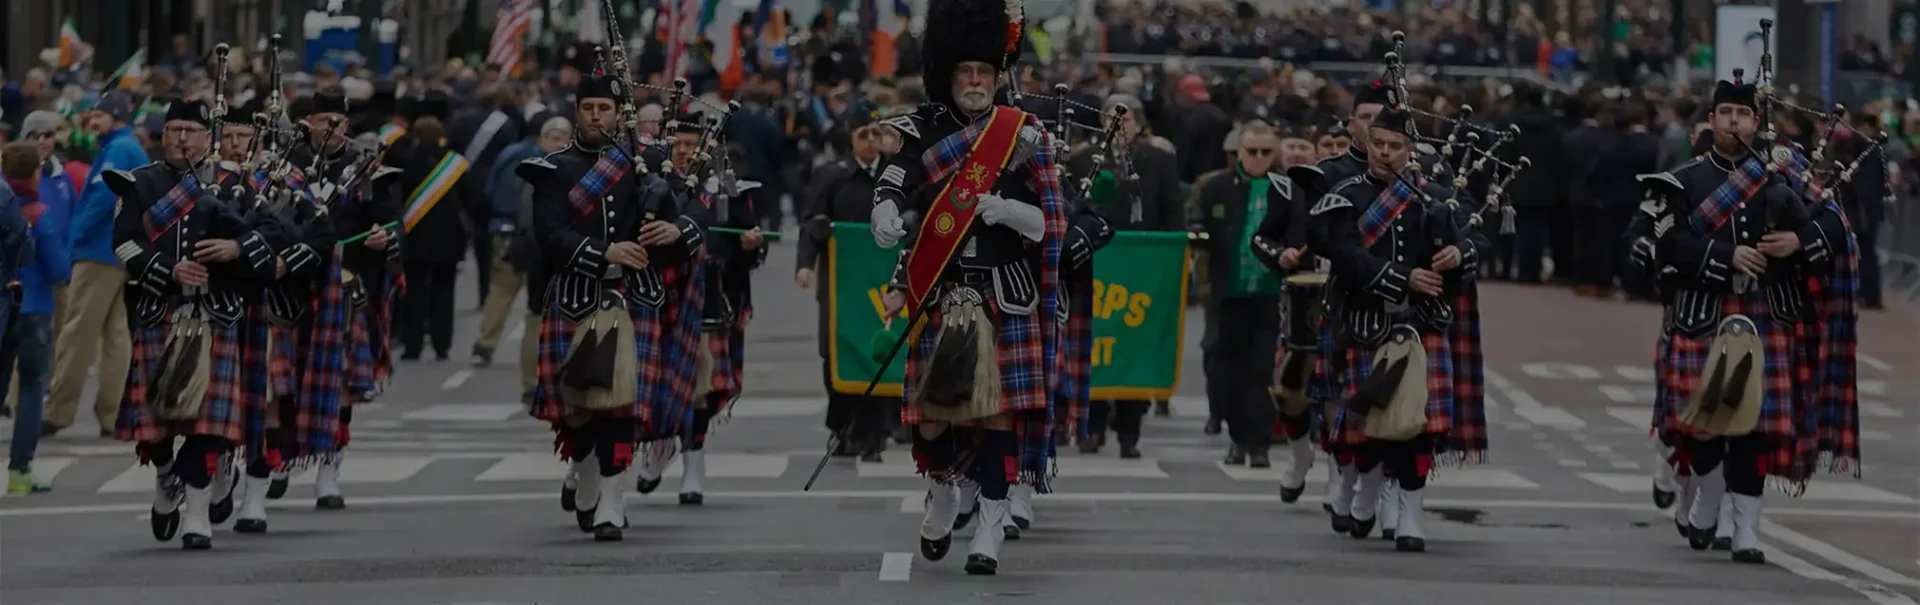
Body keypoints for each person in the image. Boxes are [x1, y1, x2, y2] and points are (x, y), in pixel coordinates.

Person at [868, 0, 1068, 575]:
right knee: (933, 413)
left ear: (996, 74)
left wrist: (1007, 209)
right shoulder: (922, 128)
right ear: (947, 74)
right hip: (942, 287)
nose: (976, 82)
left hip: (1006, 292)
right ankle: (942, 488)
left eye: (984, 72)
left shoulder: (1024, 133)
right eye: (965, 73)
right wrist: (884, 207)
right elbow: (896, 178)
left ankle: (991, 527)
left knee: (1000, 413)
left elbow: (1050, 221)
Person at [1639, 76, 1858, 564]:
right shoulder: (1687, 179)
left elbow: (1835, 224)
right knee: (1707, 423)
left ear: (1756, 123)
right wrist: (1727, 255)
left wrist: (1798, 243)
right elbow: (1669, 243)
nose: (1734, 122)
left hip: (1768, 312)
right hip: (1706, 313)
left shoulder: (1783, 174)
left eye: (1743, 115)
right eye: (1726, 114)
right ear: (1711, 120)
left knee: (1755, 427)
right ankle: (1708, 500)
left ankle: (1747, 530)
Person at [519, 73, 706, 542]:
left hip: (635, 297)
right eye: (588, 108)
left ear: (619, 112)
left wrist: (678, 229)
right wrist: (605, 252)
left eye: (605, 108)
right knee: (579, 410)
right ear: (577, 111)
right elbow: (550, 234)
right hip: (576, 298)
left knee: (624, 405)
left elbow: (700, 203)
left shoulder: (649, 161)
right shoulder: (553, 168)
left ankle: (613, 500)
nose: (597, 116)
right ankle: (583, 469)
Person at [106, 98, 281, 550]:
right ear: (162, 135)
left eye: (191, 130)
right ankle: (166, 476)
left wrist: (236, 250)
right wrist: (169, 270)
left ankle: (198, 515)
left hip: (216, 313)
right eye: (174, 129)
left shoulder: (235, 185)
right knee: (158, 425)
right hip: (159, 311)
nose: (182, 138)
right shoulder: (139, 185)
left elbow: (272, 233)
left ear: (208, 137)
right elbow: (124, 245)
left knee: (208, 424)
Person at [1307, 104, 1471, 553]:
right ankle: (1359, 494)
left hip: (1420, 324)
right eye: (1378, 144)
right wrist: (1403, 279)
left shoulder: (1436, 198)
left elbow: (1470, 244)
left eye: (1395, 146)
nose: (1384, 153)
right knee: (1366, 428)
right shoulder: (1347, 195)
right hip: (1367, 323)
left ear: (1410, 149)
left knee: (1417, 425)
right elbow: (1346, 255)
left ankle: (1412, 517)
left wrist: (1456, 257)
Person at [633, 112, 765, 505]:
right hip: (661, 296)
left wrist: (751, 244)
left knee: (702, 393)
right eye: (680, 144)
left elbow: (751, 236)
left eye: (693, 145)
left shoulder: (725, 186)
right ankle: (659, 448)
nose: (686, 151)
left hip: (712, 297)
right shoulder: (651, 181)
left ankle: (694, 466)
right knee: (658, 382)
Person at [1066, 93, 1181, 456]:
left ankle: (1130, 432)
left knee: (1135, 346)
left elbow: (1172, 210)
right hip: (1095, 261)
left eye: (1126, 119)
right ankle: (1092, 426)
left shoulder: (1159, 160)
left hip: (1143, 269)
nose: (1118, 126)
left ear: (1139, 123)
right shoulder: (1084, 159)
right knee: (1096, 344)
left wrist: (1173, 255)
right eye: (1111, 118)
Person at [1190, 120, 1303, 468]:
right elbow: (1196, 224)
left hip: (1271, 293)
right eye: (1251, 151)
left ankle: (1259, 443)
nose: (1257, 158)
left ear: (1275, 153)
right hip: (1228, 293)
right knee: (1228, 370)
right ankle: (1238, 438)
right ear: (1239, 152)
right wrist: (1198, 238)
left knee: (1261, 370)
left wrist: (1293, 254)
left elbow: (1300, 233)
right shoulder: (1215, 187)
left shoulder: (1288, 189)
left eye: (1265, 152)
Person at [801, 104, 902, 462]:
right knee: (837, 355)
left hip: (881, 284)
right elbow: (812, 220)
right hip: (840, 283)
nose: (872, 142)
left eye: (877, 134)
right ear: (851, 139)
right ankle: (841, 427)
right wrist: (805, 265)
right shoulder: (832, 176)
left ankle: (873, 434)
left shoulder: (894, 175)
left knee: (879, 353)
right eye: (864, 135)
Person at [45, 91, 146, 438]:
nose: (91, 120)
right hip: (120, 251)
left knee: (77, 332)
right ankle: (114, 413)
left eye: (98, 114)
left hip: (98, 250)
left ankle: (58, 411)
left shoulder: (117, 150)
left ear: (115, 115)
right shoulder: (129, 147)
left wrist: (76, 238)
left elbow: (102, 197)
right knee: (115, 334)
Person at [473, 116, 571, 376]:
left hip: (505, 231)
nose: (559, 143)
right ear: (542, 137)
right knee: (533, 304)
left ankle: (486, 341)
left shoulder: (510, 154)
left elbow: (489, 187)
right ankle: (530, 375)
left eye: (563, 138)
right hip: (525, 239)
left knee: (502, 291)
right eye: (554, 138)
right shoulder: (546, 168)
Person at [3, 138, 63, 494]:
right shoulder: (40, 215)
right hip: (35, 309)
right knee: (30, 389)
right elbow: (58, 269)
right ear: (35, 174)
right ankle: (20, 470)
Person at [394, 116, 469, 361]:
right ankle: (442, 344)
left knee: (414, 292)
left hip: (416, 236)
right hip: (449, 237)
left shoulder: (407, 162)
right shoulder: (456, 164)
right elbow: (471, 199)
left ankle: (413, 345)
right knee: (444, 291)